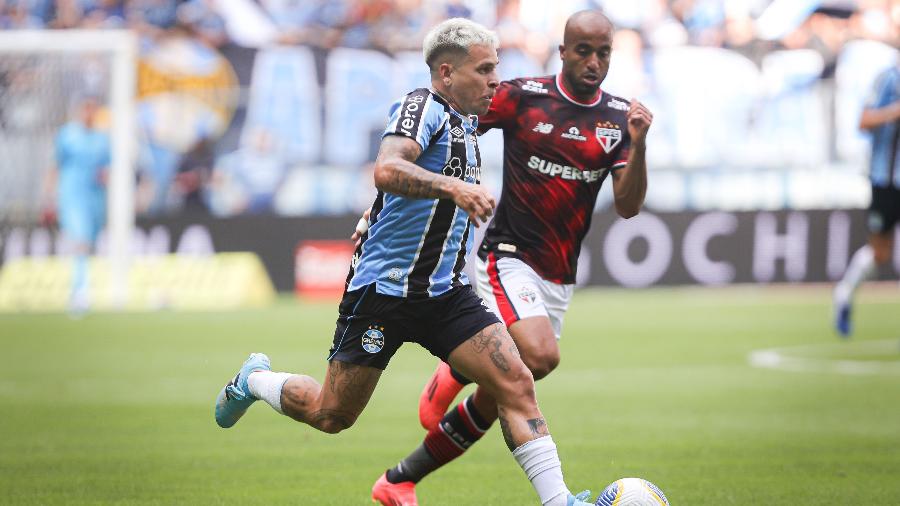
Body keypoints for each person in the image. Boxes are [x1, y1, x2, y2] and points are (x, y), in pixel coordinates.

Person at [214, 18, 596, 506]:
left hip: (445, 294)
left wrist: (377, 209)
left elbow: (399, 187)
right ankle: (255, 380)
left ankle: (559, 501)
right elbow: (388, 167)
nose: (494, 80)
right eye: (484, 70)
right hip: (385, 293)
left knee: (516, 381)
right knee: (332, 415)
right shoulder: (423, 105)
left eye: (495, 69)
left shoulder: (469, 122)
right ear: (446, 73)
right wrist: (454, 188)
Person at [370, 10, 654, 505]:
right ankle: (458, 367)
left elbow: (629, 206)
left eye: (602, 52)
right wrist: (380, 210)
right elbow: (442, 131)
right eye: (582, 50)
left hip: (559, 274)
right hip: (508, 255)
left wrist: (639, 142)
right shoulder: (523, 97)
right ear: (562, 52)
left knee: (507, 389)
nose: (592, 61)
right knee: (540, 356)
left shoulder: (618, 118)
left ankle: (400, 478)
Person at [833, 59, 900, 337]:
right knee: (879, 253)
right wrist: (894, 112)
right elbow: (863, 121)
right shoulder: (889, 77)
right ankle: (844, 294)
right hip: (886, 180)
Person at [43, 95, 111, 313]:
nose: (89, 113)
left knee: (89, 242)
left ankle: (86, 286)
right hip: (72, 194)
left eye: (93, 108)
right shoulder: (67, 135)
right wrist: (48, 196)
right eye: (86, 108)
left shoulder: (103, 138)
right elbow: (56, 165)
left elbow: (109, 168)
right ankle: (79, 292)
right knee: (80, 239)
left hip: (96, 197)